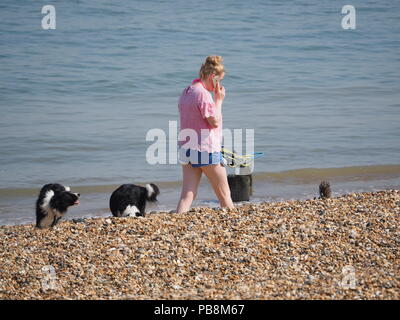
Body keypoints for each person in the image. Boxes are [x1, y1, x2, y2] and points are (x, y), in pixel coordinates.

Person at [176, 55, 234, 213]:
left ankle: (178, 224)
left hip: (186, 147)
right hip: (205, 149)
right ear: (212, 77)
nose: (219, 84)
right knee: (224, 194)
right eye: (219, 80)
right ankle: (236, 226)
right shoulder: (203, 94)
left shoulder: (187, 91)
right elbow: (214, 121)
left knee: (187, 195)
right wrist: (219, 100)